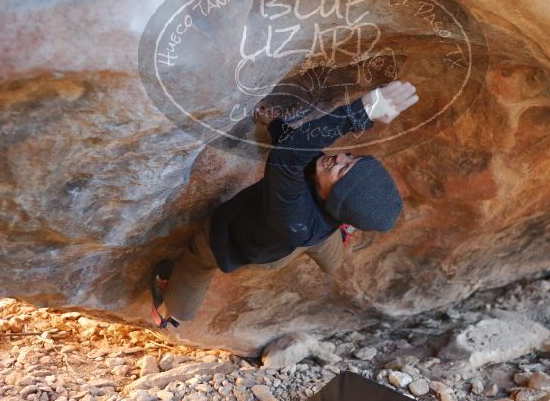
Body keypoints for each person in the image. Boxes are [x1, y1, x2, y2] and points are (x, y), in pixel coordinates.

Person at [149, 81, 419, 329]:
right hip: (312, 232)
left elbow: (289, 159)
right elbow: (301, 153)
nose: (337, 158)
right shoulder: (323, 187)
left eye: (341, 171)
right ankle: (341, 231)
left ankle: (170, 312)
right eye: (349, 158)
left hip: (269, 241)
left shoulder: (292, 214)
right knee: (328, 248)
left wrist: (358, 113)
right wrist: (276, 125)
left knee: (197, 262)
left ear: (336, 198)